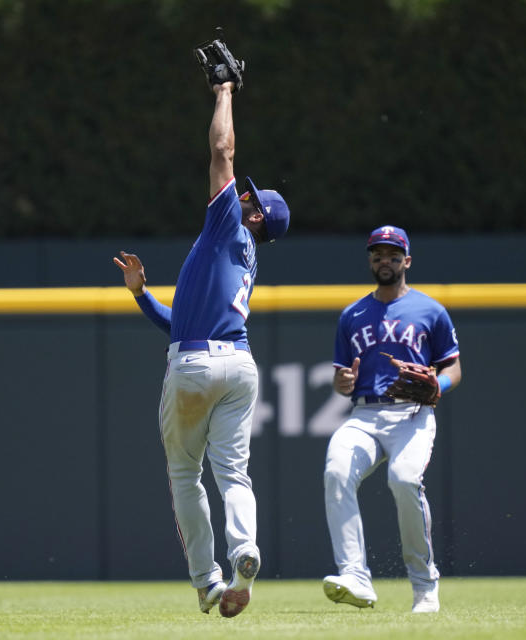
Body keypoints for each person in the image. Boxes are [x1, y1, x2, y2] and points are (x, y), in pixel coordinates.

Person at [113, 79, 290, 618]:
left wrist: (225, 91)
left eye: (249, 198)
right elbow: (180, 323)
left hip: (194, 365)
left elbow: (221, 149)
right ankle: (245, 549)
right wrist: (143, 297)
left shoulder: (226, 223)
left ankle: (207, 582)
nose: (240, 194)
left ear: (255, 216)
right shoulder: (244, 256)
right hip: (238, 364)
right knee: (234, 474)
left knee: (185, 474)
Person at [323, 225, 461, 614]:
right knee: (336, 472)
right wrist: (342, 381)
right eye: (377, 254)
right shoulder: (352, 314)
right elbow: (339, 381)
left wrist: (440, 386)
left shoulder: (430, 310)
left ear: (408, 261)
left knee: (403, 480)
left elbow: (453, 366)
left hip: (412, 414)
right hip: (364, 412)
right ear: (370, 260)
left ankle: (424, 586)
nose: (385, 260)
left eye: (393, 254)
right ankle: (355, 576)